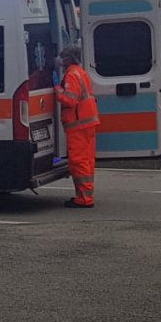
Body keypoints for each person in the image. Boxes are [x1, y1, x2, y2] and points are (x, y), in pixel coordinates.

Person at [55, 44, 99, 208]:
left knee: (78, 161)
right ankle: (86, 194)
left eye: (63, 57)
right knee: (86, 161)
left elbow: (70, 100)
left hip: (78, 125)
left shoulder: (71, 75)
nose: (61, 60)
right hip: (87, 122)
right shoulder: (80, 72)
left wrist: (57, 89)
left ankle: (84, 199)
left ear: (69, 59)